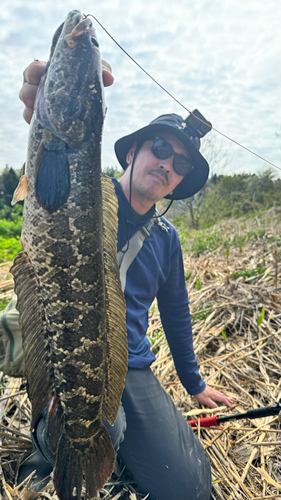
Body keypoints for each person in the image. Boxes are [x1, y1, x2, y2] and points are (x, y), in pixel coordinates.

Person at [16, 60, 233, 500]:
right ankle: (44, 453)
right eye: (160, 148)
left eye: (181, 164)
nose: (168, 164)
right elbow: (56, 162)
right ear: (132, 151)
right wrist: (45, 110)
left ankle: (120, 445)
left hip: (129, 361)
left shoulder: (167, 240)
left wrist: (195, 383)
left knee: (188, 487)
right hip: (64, 341)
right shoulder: (82, 190)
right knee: (95, 422)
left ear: (178, 183)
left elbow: (176, 313)